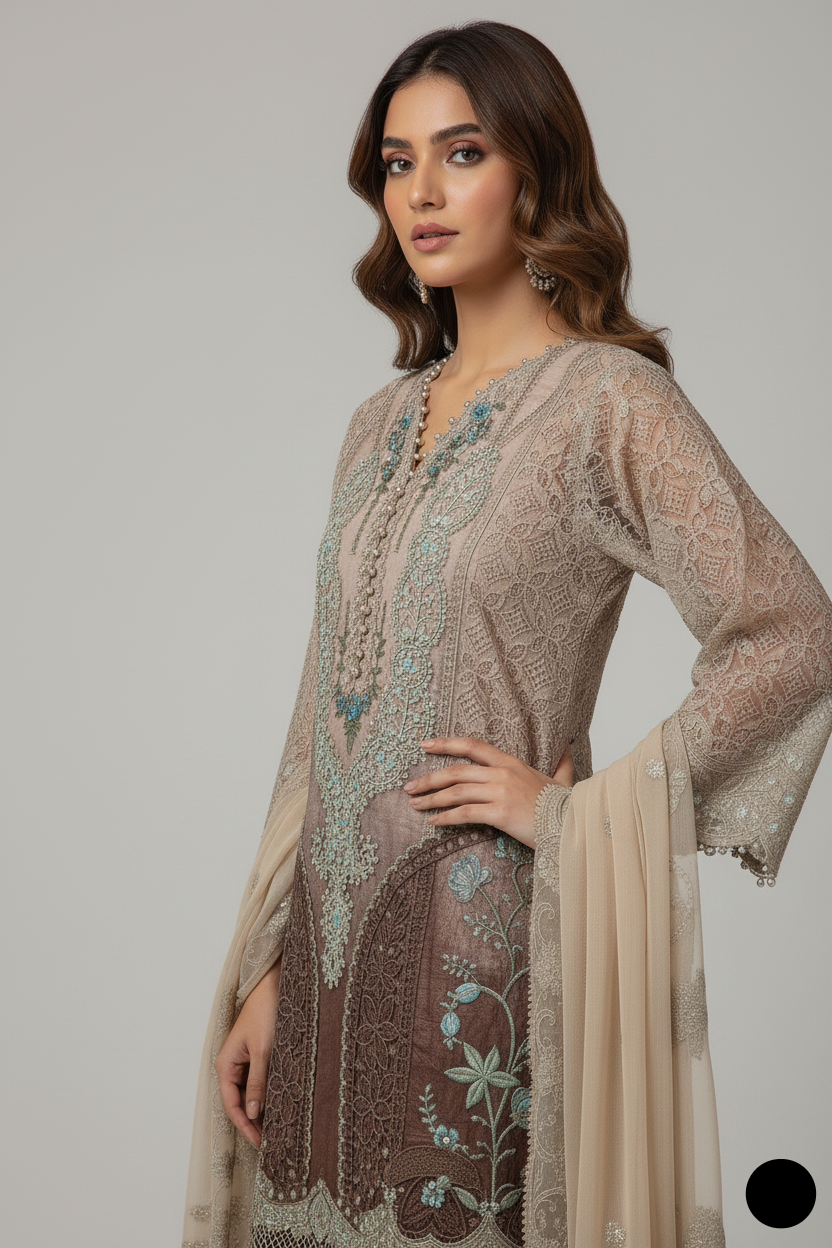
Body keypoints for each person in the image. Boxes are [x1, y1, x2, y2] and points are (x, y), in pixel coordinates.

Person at [182, 20, 832, 1248]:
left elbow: (792, 633)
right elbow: (319, 706)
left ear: (536, 171)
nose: (421, 194)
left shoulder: (609, 402)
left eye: (463, 153)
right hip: (320, 964)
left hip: (475, 961)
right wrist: (265, 963)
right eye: (397, 162)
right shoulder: (375, 424)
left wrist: (581, 813)